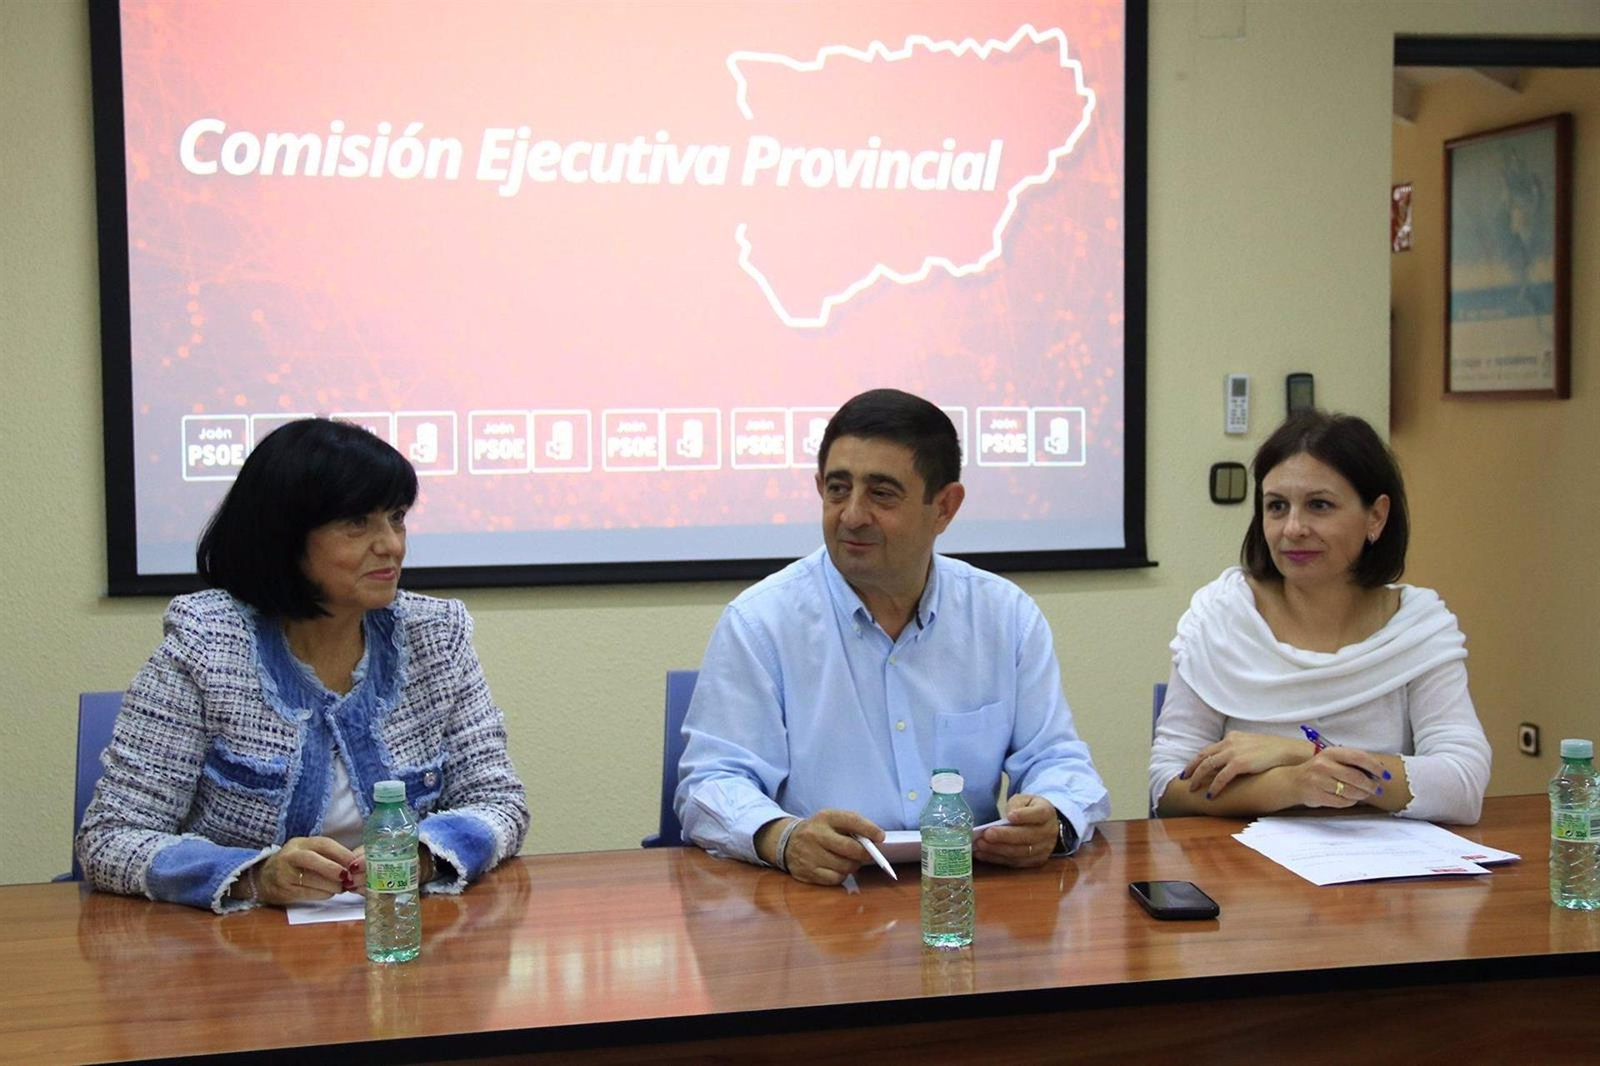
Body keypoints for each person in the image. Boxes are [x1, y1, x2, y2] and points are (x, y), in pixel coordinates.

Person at [77, 419, 528, 912]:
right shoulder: (206, 644)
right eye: (358, 523)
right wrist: (254, 876)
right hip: (244, 958)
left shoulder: (436, 635)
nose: (392, 545)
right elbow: (110, 838)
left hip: (400, 934)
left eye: (396, 517)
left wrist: (422, 856)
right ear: (286, 537)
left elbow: (499, 803)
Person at [675, 388, 1109, 885]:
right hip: (820, 905)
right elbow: (710, 783)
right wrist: (784, 838)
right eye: (838, 489)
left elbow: (1060, 761)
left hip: (964, 897)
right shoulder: (761, 624)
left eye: (881, 494)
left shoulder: (1005, 618)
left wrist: (1051, 818)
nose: (852, 515)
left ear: (944, 507)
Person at [1150, 410, 1490, 824]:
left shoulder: (1416, 626)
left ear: (1376, 517)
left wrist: (1308, 752)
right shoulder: (1221, 617)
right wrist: (1293, 784)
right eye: (1277, 507)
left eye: (1319, 506)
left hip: (1386, 874)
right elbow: (1168, 788)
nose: (1293, 528)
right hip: (1243, 872)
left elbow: (1463, 785)